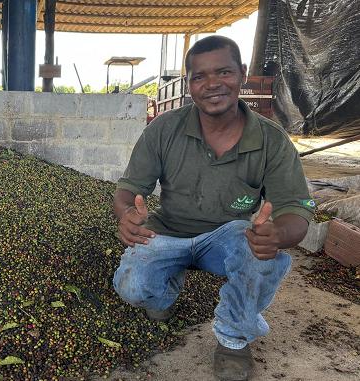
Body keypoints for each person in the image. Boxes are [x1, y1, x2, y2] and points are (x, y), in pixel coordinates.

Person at [112, 36, 315, 381]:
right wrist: (127, 215)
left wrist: (278, 233)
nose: (212, 84)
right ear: (189, 83)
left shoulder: (271, 140)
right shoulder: (164, 128)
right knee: (133, 287)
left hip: (225, 239)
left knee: (260, 251)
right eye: (199, 76)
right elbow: (130, 190)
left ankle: (234, 337)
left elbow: (295, 208)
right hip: (168, 230)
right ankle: (165, 292)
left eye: (223, 72)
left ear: (242, 74)